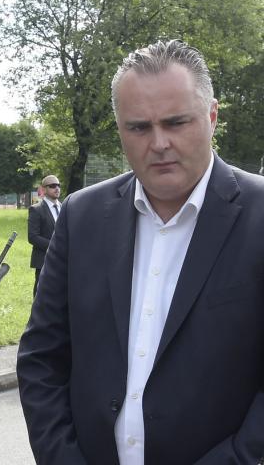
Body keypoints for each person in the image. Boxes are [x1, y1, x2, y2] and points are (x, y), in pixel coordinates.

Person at [17, 39, 264, 464]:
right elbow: (42, 357)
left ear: (212, 116)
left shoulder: (259, 216)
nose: (159, 142)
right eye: (139, 127)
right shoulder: (83, 216)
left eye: (176, 122)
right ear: (120, 129)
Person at [27, 174, 61, 296]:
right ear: (44, 189)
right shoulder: (36, 209)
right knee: (40, 294)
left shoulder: (64, 207)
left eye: (58, 185)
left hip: (63, 259)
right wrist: (55, 246)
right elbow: (33, 236)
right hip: (43, 259)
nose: (56, 188)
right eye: (52, 186)